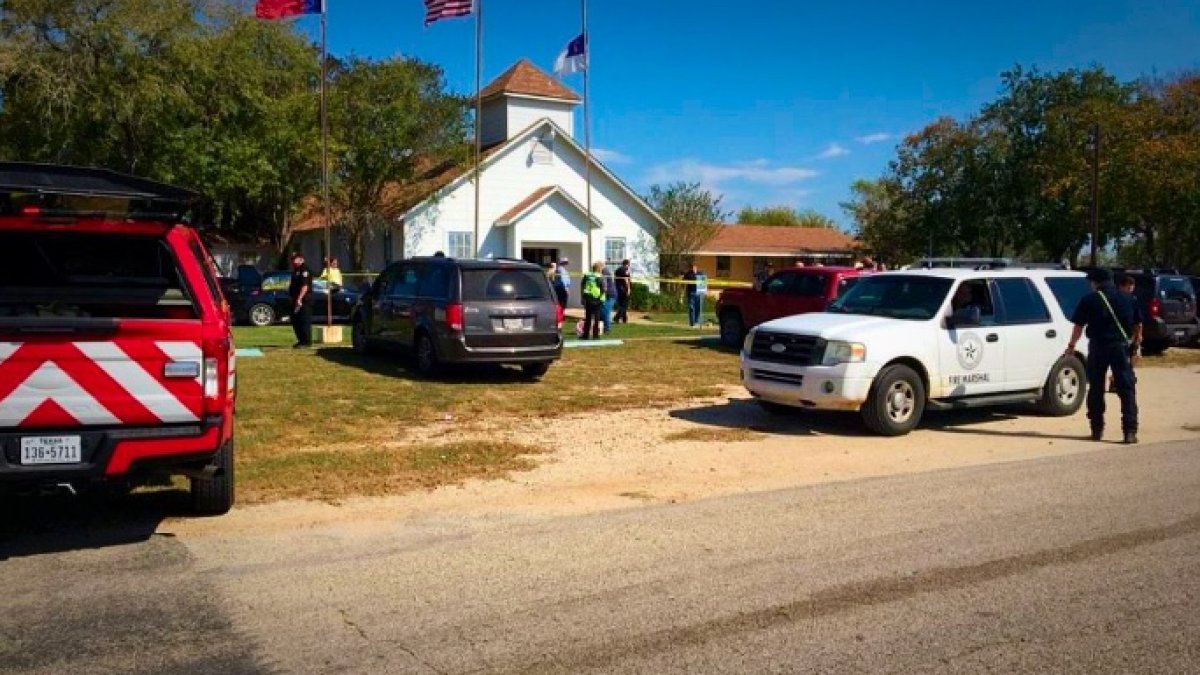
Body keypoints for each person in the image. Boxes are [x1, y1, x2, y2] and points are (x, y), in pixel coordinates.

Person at [1066, 268, 1140, 444]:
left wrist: (1071, 346)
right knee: (1126, 389)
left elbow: (1078, 326)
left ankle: (1097, 429)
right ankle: (1129, 431)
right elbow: (1138, 324)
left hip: (1098, 347)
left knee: (1096, 388)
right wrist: (1135, 345)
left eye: (1091, 282)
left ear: (1095, 282)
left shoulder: (1089, 300)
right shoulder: (1128, 298)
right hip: (1121, 348)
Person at [1109, 274, 1144, 392]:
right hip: (1119, 335)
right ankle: (1115, 380)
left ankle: (1127, 375)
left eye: (1131, 288)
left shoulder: (1133, 300)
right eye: (1128, 288)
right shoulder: (1113, 300)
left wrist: (1139, 335)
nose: (1130, 290)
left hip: (1131, 334)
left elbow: (1138, 321)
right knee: (1120, 359)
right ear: (1121, 287)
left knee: (1135, 356)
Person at [288, 252, 313, 349]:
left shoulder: (304, 270)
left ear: (301, 259)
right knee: (296, 320)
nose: (293, 261)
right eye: (292, 259)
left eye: (295, 259)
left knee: (304, 320)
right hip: (295, 299)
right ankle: (301, 340)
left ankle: (306, 342)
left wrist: (299, 298)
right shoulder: (296, 270)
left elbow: (305, 286)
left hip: (304, 299)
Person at [579, 261, 606, 340]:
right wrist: (602, 297)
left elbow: (582, 286)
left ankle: (585, 335)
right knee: (596, 318)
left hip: (588, 298)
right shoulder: (600, 277)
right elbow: (604, 288)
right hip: (597, 298)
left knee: (588, 317)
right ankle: (595, 335)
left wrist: (582, 297)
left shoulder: (587, 275)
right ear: (600, 268)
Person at [683, 263, 702, 327]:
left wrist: (704, 291)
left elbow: (704, 282)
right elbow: (683, 282)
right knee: (691, 308)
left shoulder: (700, 274)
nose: (693, 269)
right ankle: (692, 322)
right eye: (692, 267)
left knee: (697, 308)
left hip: (698, 293)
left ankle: (696, 321)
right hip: (690, 293)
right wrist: (683, 293)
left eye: (694, 267)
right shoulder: (688, 274)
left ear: (696, 267)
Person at [600, 262, 617, 334]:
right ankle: (602, 328)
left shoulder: (604, 271)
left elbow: (604, 285)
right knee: (604, 311)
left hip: (610, 294)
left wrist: (602, 292)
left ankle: (607, 329)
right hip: (610, 294)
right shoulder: (607, 270)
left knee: (605, 311)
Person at [614, 259, 632, 324]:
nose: (629, 266)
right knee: (624, 305)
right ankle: (617, 317)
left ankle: (624, 319)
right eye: (629, 264)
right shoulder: (625, 270)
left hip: (619, 289)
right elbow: (626, 280)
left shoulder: (617, 270)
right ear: (627, 264)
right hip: (624, 290)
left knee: (622, 304)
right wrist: (628, 289)